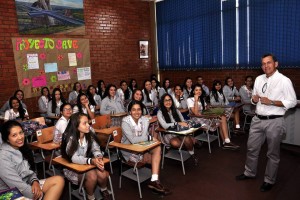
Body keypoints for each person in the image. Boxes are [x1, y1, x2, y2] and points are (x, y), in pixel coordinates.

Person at [236, 53, 297, 192]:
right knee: (252, 148)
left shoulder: (284, 80)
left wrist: (272, 102)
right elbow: (253, 98)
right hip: (257, 119)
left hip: (274, 121)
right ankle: (249, 173)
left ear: (276, 64)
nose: (265, 66)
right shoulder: (258, 79)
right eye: (263, 64)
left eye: (268, 63)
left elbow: (292, 102)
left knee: (272, 153)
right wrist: (254, 99)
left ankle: (269, 180)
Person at [0, 120, 64, 199]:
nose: (20, 137)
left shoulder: (20, 148)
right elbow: (17, 186)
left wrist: (35, 181)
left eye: (21, 132)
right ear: (7, 139)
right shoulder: (2, 157)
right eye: (14, 135)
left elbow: (29, 172)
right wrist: (38, 194)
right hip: (10, 192)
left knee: (59, 180)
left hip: (27, 184)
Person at [121, 100, 171, 195]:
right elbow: (133, 140)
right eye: (134, 110)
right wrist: (150, 138)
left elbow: (144, 136)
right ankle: (155, 181)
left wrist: (150, 142)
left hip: (142, 148)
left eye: (139, 109)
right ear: (130, 111)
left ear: (142, 110)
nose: (137, 112)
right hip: (129, 150)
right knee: (155, 155)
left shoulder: (144, 120)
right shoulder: (125, 122)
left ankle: (154, 180)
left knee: (157, 148)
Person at [61, 113, 111, 200]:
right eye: (85, 123)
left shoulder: (89, 132)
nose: (88, 125)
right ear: (76, 126)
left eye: (88, 122)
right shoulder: (70, 138)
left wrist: (98, 157)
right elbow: (74, 158)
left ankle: (104, 189)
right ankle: (90, 197)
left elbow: (96, 148)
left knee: (102, 173)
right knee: (92, 176)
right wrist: (91, 161)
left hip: (88, 163)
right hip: (73, 168)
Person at [189, 84, 239, 150]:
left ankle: (226, 141)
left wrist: (214, 112)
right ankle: (226, 142)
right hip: (197, 120)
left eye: (200, 90)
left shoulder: (201, 99)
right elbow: (195, 113)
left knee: (222, 118)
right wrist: (196, 100)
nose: (199, 91)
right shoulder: (190, 99)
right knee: (221, 118)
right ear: (193, 91)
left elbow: (206, 110)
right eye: (196, 90)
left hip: (205, 117)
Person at [158, 94, 199, 165]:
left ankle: (192, 155)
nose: (168, 102)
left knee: (185, 137)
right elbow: (164, 126)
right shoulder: (160, 112)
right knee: (179, 142)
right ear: (162, 102)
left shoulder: (176, 110)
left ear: (172, 101)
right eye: (166, 100)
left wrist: (185, 123)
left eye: (169, 100)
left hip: (180, 132)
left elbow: (183, 121)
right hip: (169, 134)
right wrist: (177, 123)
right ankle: (192, 141)